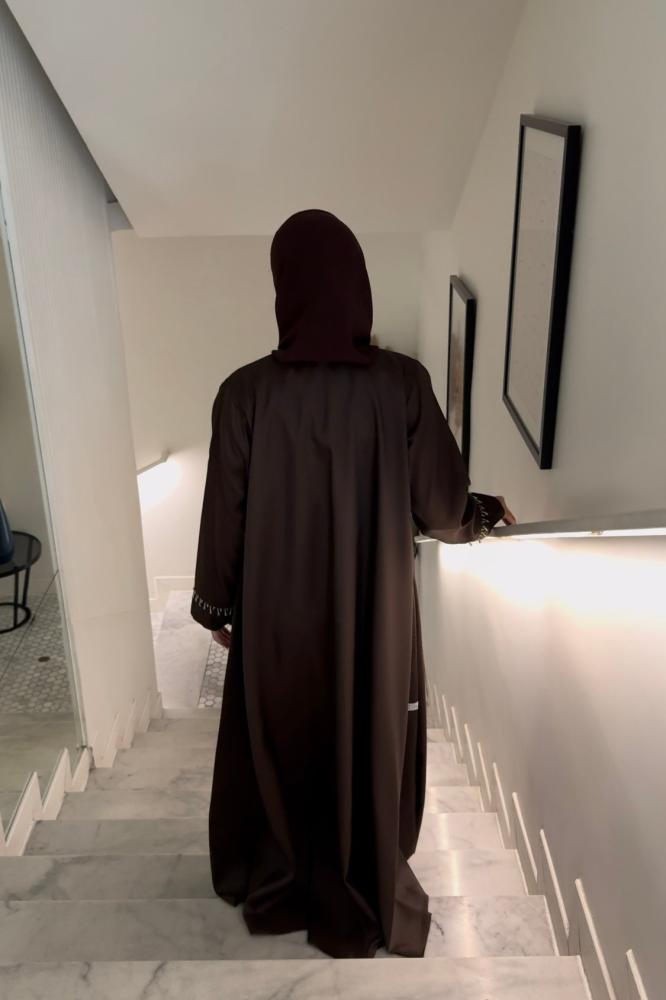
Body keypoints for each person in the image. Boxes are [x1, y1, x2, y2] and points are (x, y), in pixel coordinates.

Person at [190, 208, 516, 960]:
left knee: (281, 732)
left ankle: (282, 874)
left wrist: (216, 609)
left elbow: (223, 517)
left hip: (275, 616)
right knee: (367, 725)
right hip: (377, 615)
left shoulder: (243, 394)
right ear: (356, 285)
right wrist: (482, 515)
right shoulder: (402, 386)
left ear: (285, 290)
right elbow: (440, 509)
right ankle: (364, 871)